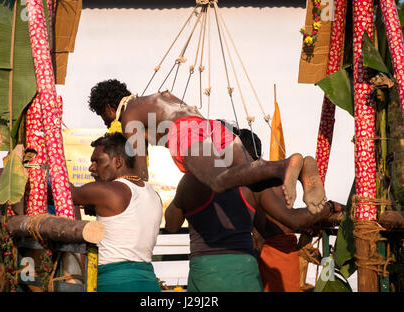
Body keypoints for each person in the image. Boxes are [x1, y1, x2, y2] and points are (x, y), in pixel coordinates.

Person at [88, 79, 326, 214]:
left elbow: (140, 173)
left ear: (109, 107)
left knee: (219, 181)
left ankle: (285, 165)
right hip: (211, 127)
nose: (108, 122)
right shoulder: (155, 98)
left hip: (185, 132)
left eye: (103, 116)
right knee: (248, 178)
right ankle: (298, 171)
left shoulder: (129, 116)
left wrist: (113, 190)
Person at [164, 125, 340, 292]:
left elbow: (171, 225)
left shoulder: (191, 180)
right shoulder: (252, 185)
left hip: (207, 267)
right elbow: (292, 220)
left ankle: (289, 168)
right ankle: (288, 167)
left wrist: (184, 189)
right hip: (246, 265)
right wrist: (329, 208)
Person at [69, 132, 163, 292]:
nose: (91, 167)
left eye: (97, 161)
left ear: (118, 161)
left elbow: (65, 192)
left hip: (114, 283)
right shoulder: (153, 194)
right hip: (148, 281)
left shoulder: (109, 191)